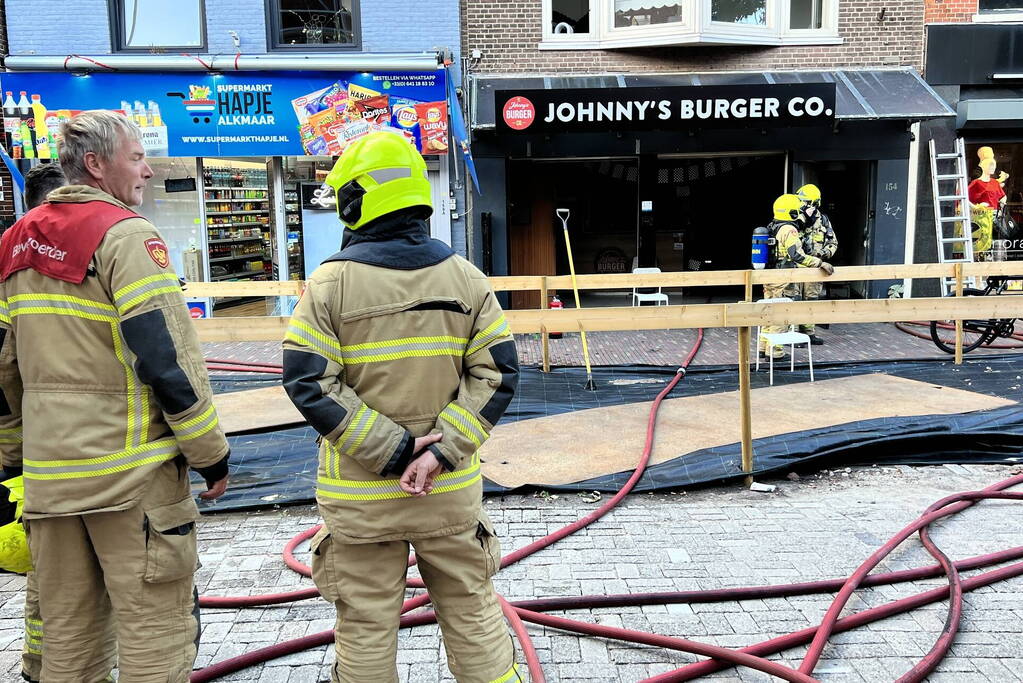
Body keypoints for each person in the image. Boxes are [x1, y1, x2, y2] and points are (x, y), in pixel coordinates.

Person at [282, 130, 521, 683]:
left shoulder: (329, 285)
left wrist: (394, 452)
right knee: (471, 608)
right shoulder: (467, 279)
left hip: (362, 497)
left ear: (354, 201)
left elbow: (309, 383)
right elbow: (498, 373)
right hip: (447, 490)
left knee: (365, 621)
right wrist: (438, 453)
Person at [0, 110, 230, 682]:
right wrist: (210, 454)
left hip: (51, 481)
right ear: (97, 165)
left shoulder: (14, 242)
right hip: (132, 483)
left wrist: (11, 458)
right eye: (137, 157)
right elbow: (167, 358)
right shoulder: (127, 237)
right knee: (155, 633)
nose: (149, 170)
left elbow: (3, 369)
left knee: (68, 640)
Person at [759, 193, 834, 361]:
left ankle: (763, 348)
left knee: (767, 313)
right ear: (792, 212)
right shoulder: (790, 230)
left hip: (769, 277)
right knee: (780, 315)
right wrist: (820, 263)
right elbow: (797, 255)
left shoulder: (773, 226)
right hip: (784, 279)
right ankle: (776, 352)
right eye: (798, 210)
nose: (800, 213)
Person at [795, 184, 838, 344]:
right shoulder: (794, 218)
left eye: (805, 201)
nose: (802, 204)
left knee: (811, 300)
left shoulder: (823, 220)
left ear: (815, 203)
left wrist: (823, 255)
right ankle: (794, 334)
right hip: (795, 267)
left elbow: (833, 242)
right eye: (801, 201)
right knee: (794, 300)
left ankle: (809, 333)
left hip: (816, 267)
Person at [967, 157, 1005, 260]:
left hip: (994, 214)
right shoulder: (977, 182)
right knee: (982, 238)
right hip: (981, 215)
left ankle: (993, 260)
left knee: (993, 237)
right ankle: (980, 259)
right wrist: (976, 207)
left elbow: (1003, 196)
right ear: (984, 167)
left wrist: (1001, 205)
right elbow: (964, 196)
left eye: (994, 166)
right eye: (990, 165)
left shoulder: (995, 182)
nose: (993, 168)